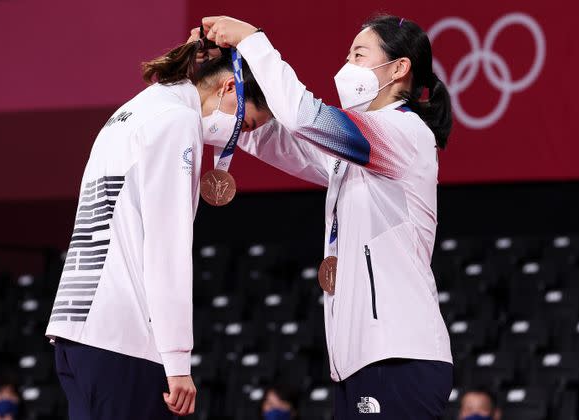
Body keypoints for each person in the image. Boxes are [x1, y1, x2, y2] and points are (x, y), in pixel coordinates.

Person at [200, 14, 454, 419]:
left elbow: (305, 117)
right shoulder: (354, 155)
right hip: (357, 360)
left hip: (399, 354)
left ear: (399, 68)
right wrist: (212, 83)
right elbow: (273, 137)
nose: (347, 66)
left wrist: (253, 40)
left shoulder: (405, 134)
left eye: (359, 54)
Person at [44, 36, 271, 419]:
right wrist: (178, 360)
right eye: (244, 122)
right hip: (123, 337)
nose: (238, 135)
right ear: (228, 86)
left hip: (77, 328)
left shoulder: (137, 107)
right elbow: (167, 248)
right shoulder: (177, 120)